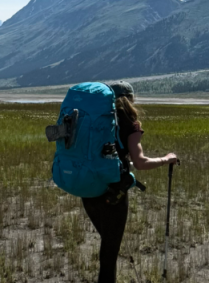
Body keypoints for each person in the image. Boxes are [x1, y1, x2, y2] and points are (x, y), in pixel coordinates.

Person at [81, 81, 178, 283]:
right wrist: (166, 159)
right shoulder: (129, 123)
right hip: (113, 194)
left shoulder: (93, 120)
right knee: (109, 252)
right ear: (130, 99)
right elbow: (141, 163)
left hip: (87, 187)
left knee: (108, 245)